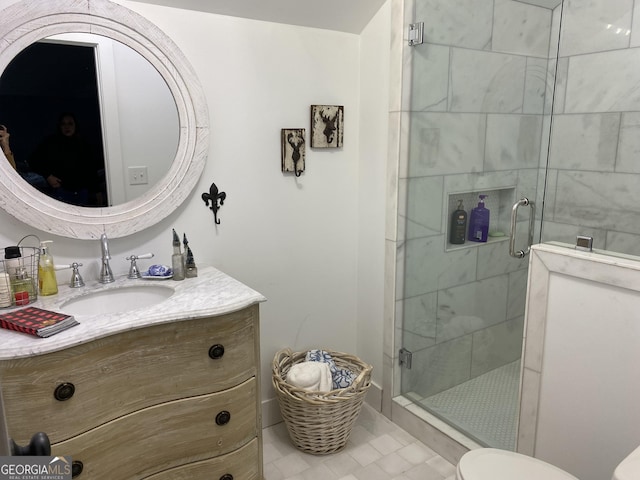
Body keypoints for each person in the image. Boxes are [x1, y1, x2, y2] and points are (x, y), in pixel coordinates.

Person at [29, 113, 99, 206]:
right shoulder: (51, 143)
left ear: (75, 125)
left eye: (70, 124)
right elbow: (33, 160)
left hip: (82, 192)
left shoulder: (83, 144)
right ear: (59, 126)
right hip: (60, 191)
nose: (67, 127)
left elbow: (91, 170)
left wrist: (97, 191)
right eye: (63, 124)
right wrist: (48, 176)